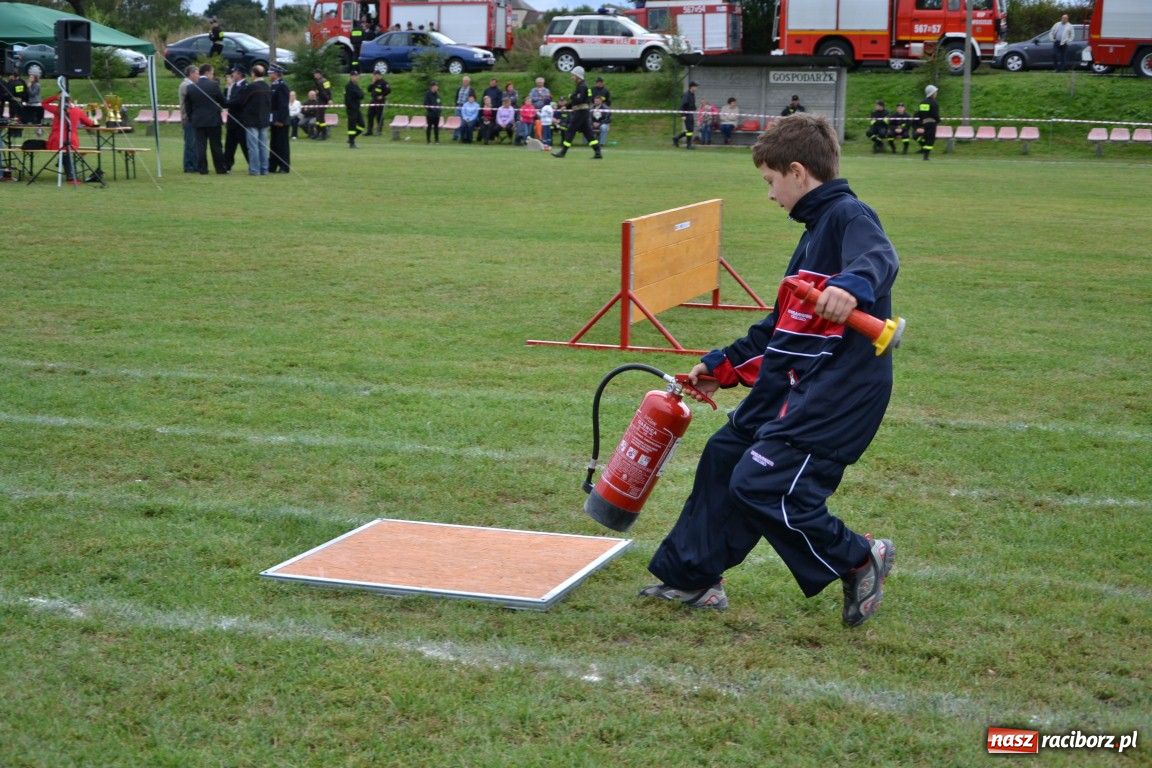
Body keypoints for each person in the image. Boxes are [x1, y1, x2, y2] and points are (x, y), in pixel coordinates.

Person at [641, 112, 899, 628]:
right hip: (799, 381)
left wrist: (852, 286)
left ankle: (857, 556)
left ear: (798, 173)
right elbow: (783, 329)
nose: (770, 195)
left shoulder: (848, 215)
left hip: (841, 391)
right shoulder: (812, 232)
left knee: (762, 483)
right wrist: (724, 365)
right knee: (724, 455)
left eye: (770, 181)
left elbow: (879, 256)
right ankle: (695, 576)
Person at [40, 92, 97, 182]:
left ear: (60, 100)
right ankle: (68, 172)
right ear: (70, 100)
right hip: (72, 142)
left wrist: (55, 97)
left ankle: (62, 162)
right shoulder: (77, 111)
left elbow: (44, 103)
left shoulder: (56, 110)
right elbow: (90, 123)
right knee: (68, 151)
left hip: (55, 142)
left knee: (63, 151)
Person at [552, 66, 601, 159]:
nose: (572, 77)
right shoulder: (581, 86)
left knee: (570, 130)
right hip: (583, 112)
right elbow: (578, 100)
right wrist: (566, 106)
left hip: (580, 112)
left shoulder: (582, 86)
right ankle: (598, 152)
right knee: (588, 133)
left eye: (573, 75)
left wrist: (571, 96)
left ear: (578, 76)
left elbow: (579, 99)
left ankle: (563, 152)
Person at [186, 63, 226, 175]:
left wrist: (191, 118)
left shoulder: (191, 87)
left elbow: (188, 107)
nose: (213, 75)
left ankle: (202, 169)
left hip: (198, 121)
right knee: (216, 145)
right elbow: (223, 102)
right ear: (208, 72)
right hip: (213, 120)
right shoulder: (214, 85)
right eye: (212, 73)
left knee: (201, 146)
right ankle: (220, 168)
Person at [240, 64, 270, 174]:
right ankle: (264, 169)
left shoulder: (251, 87)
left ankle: (255, 169)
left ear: (253, 73)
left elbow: (242, 102)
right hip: (264, 120)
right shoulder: (267, 86)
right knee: (263, 146)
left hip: (252, 120)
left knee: (253, 147)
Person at [223, 67, 249, 171]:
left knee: (245, 144)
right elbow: (230, 99)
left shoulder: (245, 86)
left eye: (234, 73)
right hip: (232, 119)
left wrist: (224, 103)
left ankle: (252, 164)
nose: (232, 75)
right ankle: (227, 164)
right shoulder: (234, 86)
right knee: (229, 144)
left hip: (241, 120)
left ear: (239, 74)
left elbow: (238, 102)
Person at [268, 65, 291, 173]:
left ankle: (284, 166)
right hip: (274, 119)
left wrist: (280, 120)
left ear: (276, 73)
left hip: (281, 120)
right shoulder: (273, 85)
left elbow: (283, 105)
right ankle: (272, 165)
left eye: (271, 72)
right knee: (274, 144)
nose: (269, 74)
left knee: (282, 144)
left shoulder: (282, 86)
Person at [179, 65, 199, 172]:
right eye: (197, 73)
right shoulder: (185, 85)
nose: (198, 76)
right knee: (190, 142)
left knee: (194, 142)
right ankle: (189, 165)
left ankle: (194, 164)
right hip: (188, 118)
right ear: (191, 74)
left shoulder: (191, 85)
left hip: (192, 117)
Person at [915, 84, 940, 161]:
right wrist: (938, 120)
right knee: (931, 139)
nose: (936, 94)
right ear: (932, 93)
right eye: (935, 92)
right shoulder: (934, 103)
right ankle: (926, 156)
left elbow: (921, 113)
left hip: (925, 123)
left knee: (926, 138)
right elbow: (935, 114)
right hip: (932, 123)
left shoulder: (923, 102)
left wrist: (922, 121)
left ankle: (925, 155)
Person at [673, 81, 698, 149]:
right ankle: (688, 145)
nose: (696, 88)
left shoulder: (692, 94)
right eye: (695, 87)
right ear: (692, 87)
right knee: (689, 130)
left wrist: (694, 109)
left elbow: (691, 104)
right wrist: (683, 115)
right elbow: (682, 106)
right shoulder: (686, 95)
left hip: (690, 113)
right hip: (686, 114)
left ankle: (677, 138)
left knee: (690, 130)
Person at [344, 70, 365, 149]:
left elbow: (362, 95)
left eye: (357, 76)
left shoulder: (356, 85)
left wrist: (360, 93)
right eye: (354, 76)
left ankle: (351, 138)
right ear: (351, 76)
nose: (356, 77)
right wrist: (359, 94)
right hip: (351, 109)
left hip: (357, 109)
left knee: (362, 125)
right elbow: (359, 94)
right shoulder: (349, 86)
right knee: (352, 126)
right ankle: (352, 143)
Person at [367, 72, 391, 136]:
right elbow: (369, 89)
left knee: (379, 116)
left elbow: (388, 90)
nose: (374, 77)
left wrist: (382, 96)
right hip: (373, 101)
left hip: (380, 102)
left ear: (379, 75)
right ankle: (369, 131)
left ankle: (379, 131)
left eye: (375, 75)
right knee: (370, 115)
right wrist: (372, 83)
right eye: (373, 76)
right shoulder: (374, 82)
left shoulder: (384, 83)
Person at [453, 76, 476, 141]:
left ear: (469, 82)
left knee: (463, 121)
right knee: (457, 121)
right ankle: (455, 135)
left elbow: (474, 98)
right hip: (458, 106)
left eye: (466, 81)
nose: (465, 82)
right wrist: (456, 104)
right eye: (464, 81)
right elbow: (456, 97)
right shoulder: (459, 88)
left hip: (466, 107)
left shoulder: (471, 89)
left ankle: (461, 135)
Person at [312, 70, 332, 140]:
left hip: (323, 101)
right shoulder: (317, 81)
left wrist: (329, 99)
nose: (314, 75)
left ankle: (324, 134)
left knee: (321, 118)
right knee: (318, 118)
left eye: (315, 74)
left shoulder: (325, 81)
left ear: (319, 74)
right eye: (314, 74)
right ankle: (317, 133)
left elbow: (328, 90)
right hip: (319, 100)